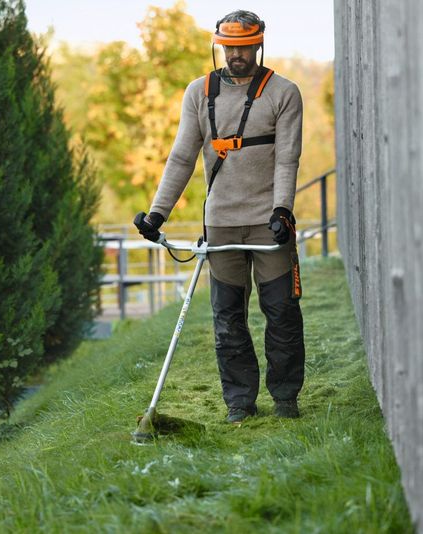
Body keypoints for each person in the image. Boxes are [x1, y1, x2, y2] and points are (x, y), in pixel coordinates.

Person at [133, 10, 305, 424]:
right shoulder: (199, 92)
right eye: (229, 47)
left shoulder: (284, 92)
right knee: (227, 318)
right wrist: (158, 214)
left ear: (258, 45)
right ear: (219, 46)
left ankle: (285, 398)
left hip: (269, 222)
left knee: (281, 311)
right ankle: (239, 403)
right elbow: (181, 158)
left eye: (244, 46)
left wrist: (283, 209)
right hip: (222, 222)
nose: (236, 54)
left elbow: (287, 159)